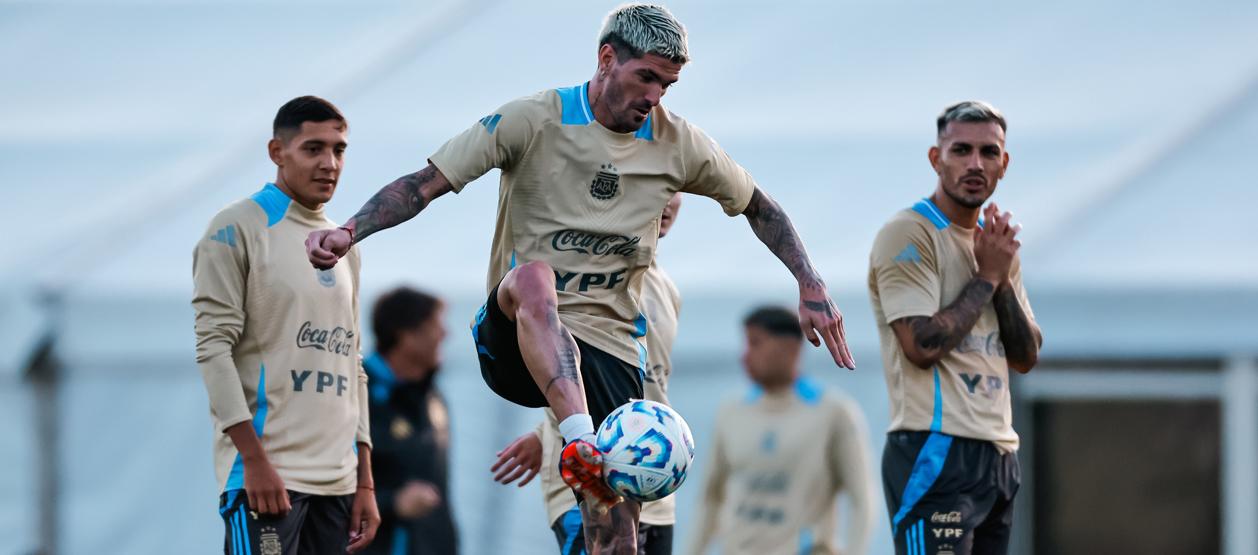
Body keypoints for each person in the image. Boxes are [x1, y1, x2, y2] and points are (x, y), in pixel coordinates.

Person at [305, 4, 856, 551]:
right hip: (517, 337)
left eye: (667, 84)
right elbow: (424, 184)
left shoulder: (679, 143)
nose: (654, 97)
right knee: (534, 278)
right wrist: (349, 231)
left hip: (612, 349)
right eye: (645, 77)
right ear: (606, 58)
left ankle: (589, 459)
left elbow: (760, 207)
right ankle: (580, 440)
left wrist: (812, 285)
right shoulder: (532, 119)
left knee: (617, 540)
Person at [192, 96, 379, 555]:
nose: (329, 163)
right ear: (278, 152)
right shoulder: (236, 228)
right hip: (267, 475)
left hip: (337, 482)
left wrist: (365, 480)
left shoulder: (346, 246)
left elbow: (352, 364)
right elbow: (213, 350)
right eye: (313, 149)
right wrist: (252, 460)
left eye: (339, 150)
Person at [867, 101, 1043, 555]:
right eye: (961, 150)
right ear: (936, 158)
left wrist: (999, 277)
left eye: (988, 152)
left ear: (1004, 163)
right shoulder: (910, 233)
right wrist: (986, 277)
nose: (975, 164)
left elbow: (1025, 357)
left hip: (998, 451)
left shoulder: (995, 244)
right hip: (935, 448)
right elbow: (921, 344)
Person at [492, 193, 685, 555]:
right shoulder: (580, 275)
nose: (667, 202)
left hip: (656, 484)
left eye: (674, 188)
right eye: (655, 187)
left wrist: (539, 432)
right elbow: (554, 360)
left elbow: (643, 383)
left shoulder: (667, 288)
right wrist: (552, 428)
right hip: (590, 482)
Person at [688, 306, 876, 555]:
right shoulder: (731, 412)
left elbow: (862, 501)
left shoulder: (833, 413)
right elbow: (710, 498)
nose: (745, 356)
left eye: (756, 343)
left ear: (790, 348)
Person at [362, 287, 459, 554]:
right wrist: (393, 503)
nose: (445, 334)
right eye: (435, 326)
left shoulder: (434, 397)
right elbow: (325, 490)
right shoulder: (356, 394)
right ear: (405, 335)